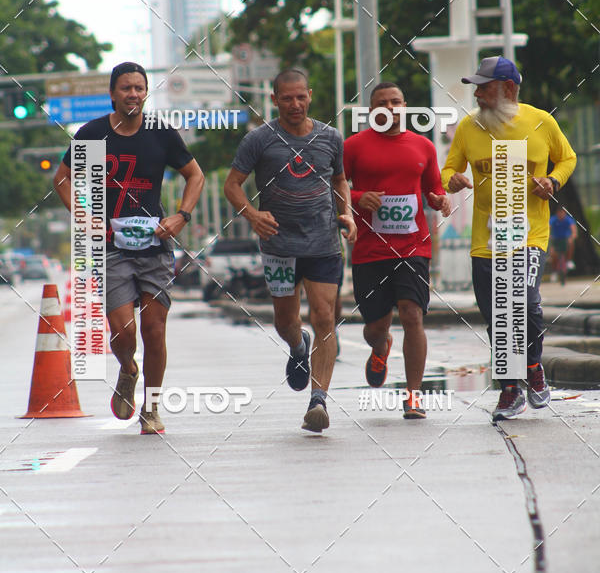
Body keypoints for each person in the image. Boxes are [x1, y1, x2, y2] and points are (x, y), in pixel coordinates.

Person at [54, 61, 205, 435]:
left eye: (139, 88)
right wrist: (84, 216)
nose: (133, 94)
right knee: (123, 332)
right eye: (126, 88)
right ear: (112, 94)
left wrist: (182, 216)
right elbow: (62, 180)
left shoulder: (160, 133)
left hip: (154, 245)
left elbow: (195, 175)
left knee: (154, 330)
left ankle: (152, 409)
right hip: (110, 248)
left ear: (146, 92)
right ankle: (127, 368)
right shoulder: (92, 133)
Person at [441, 56, 576, 421]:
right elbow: (449, 168)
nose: (478, 94)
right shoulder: (469, 128)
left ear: (509, 89)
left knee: (526, 303)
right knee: (496, 314)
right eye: (477, 88)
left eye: (485, 88)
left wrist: (553, 181)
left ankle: (532, 366)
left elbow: (567, 158)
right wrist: (450, 180)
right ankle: (510, 389)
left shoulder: (541, 122)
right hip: (486, 239)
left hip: (530, 233)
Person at [224, 68, 357, 433]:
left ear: (310, 95)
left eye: (301, 97)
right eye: (287, 98)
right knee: (286, 322)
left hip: (323, 243)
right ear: (274, 100)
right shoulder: (259, 140)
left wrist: (346, 212)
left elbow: (339, 179)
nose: (295, 104)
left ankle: (319, 401)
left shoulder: (331, 137)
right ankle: (299, 349)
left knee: (325, 316)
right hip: (279, 246)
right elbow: (232, 184)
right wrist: (251, 214)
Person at [344, 81, 451, 419]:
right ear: (370, 110)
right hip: (370, 250)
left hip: (412, 246)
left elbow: (433, 186)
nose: (390, 109)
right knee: (376, 326)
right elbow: (333, 189)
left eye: (396, 102)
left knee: (412, 315)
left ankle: (413, 396)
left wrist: (439, 198)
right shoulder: (353, 147)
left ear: (405, 106)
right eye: (381, 104)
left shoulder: (423, 146)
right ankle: (380, 346)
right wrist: (359, 198)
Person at [549, 206, 577, 284]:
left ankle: (569, 261)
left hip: (565, 239)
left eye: (562, 212)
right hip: (555, 239)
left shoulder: (568, 220)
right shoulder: (553, 219)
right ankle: (554, 272)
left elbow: (574, 230)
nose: (561, 214)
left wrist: (572, 236)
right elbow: (548, 228)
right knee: (553, 254)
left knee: (571, 243)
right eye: (559, 212)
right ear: (557, 213)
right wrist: (549, 236)